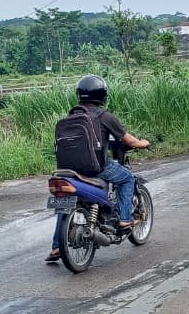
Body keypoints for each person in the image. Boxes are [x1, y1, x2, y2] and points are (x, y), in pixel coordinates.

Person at [46, 75, 150, 263]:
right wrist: (143, 143)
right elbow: (128, 141)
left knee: (65, 204)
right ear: (102, 95)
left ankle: (56, 247)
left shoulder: (72, 117)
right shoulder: (104, 116)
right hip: (96, 168)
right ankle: (125, 219)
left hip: (69, 170)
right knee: (127, 179)